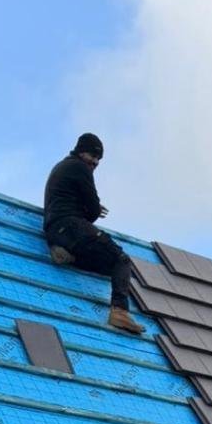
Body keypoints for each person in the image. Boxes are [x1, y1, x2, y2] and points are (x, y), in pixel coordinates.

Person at [42, 133, 144, 337]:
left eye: (98, 160)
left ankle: (68, 256)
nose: (95, 162)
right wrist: (95, 208)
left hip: (55, 231)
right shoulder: (79, 168)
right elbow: (93, 210)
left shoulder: (62, 167)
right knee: (121, 260)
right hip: (72, 225)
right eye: (93, 156)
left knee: (108, 267)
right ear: (81, 152)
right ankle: (119, 311)